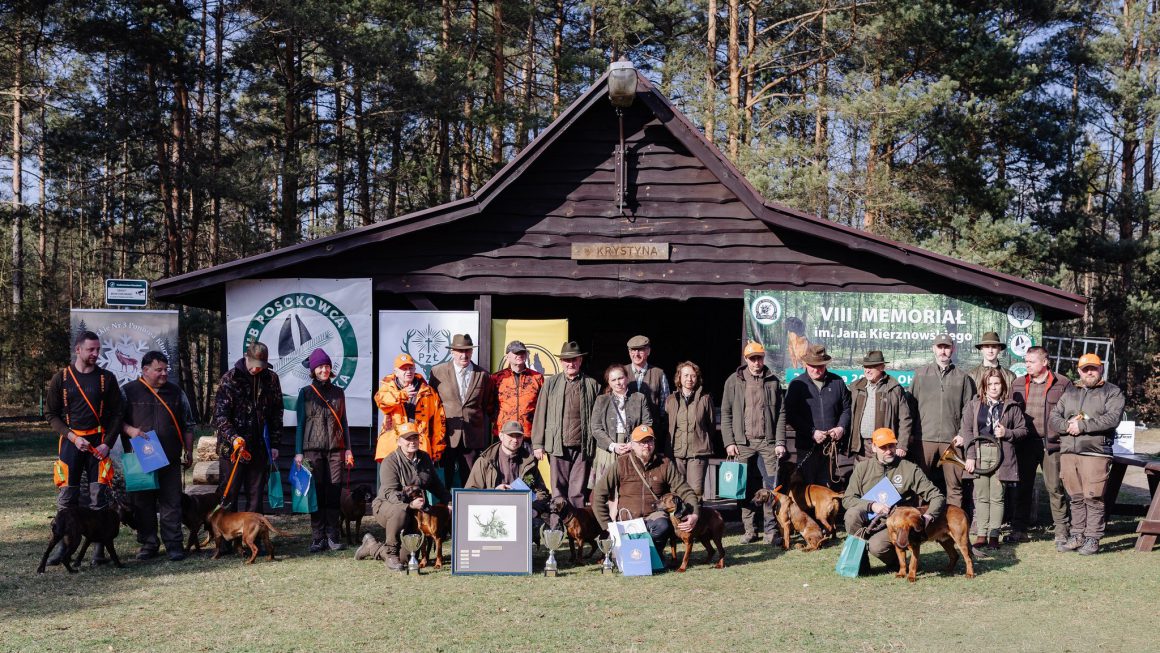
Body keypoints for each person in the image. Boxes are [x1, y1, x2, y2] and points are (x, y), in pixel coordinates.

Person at [45, 330, 123, 566]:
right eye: (91, 349)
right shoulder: (62, 378)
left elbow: (118, 414)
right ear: (77, 350)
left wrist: (107, 444)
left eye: (98, 350)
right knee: (67, 497)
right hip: (71, 444)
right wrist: (71, 436)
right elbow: (51, 414)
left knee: (99, 496)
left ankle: (99, 550)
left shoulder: (106, 378)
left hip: (98, 446)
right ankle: (63, 546)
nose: (95, 354)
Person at [121, 351, 196, 561]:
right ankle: (148, 544)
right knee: (142, 503)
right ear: (145, 370)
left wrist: (189, 451)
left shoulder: (176, 392)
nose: (164, 374)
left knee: (171, 502)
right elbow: (115, 421)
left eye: (166, 369)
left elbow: (188, 424)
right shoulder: (128, 392)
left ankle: (174, 545)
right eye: (158, 370)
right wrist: (130, 431)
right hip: (140, 459)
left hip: (170, 457)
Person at [1049, 353, 1125, 555]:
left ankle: (1093, 538)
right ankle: (1077, 535)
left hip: (1096, 453)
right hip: (1069, 452)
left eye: (1093, 368)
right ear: (1079, 371)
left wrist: (1082, 426)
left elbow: (1112, 419)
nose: (1089, 372)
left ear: (1100, 369)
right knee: (1075, 497)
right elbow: (1054, 416)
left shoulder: (1112, 392)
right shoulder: (1070, 392)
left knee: (1093, 498)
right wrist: (1068, 426)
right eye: (1085, 369)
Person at [843, 428, 946, 567]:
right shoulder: (862, 468)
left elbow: (937, 495)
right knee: (851, 514)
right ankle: (859, 563)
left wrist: (929, 516)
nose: (888, 450)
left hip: (895, 523)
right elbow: (847, 499)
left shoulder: (909, 469)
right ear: (873, 447)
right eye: (883, 447)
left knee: (877, 546)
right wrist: (872, 505)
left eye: (891, 445)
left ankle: (898, 563)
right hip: (868, 518)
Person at [591, 425, 700, 554]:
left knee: (662, 526)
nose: (647, 446)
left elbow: (685, 490)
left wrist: (694, 514)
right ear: (632, 444)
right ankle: (638, 555)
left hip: (654, 517)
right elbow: (598, 494)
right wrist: (608, 525)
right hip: (628, 520)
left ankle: (652, 554)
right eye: (642, 442)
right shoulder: (621, 463)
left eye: (650, 441)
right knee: (623, 561)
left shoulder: (665, 464)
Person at [720, 341, 787, 545]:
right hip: (742, 444)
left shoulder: (773, 381)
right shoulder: (734, 381)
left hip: (768, 443)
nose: (757, 362)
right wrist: (729, 442)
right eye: (752, 358)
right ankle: (750, 530)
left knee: (771, 489)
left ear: (763, 358)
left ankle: (770, 531)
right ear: (746, 359)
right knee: (743, 488)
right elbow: (726, 413)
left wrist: (780, 441)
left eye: (759, 358)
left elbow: (781, 413)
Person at [363, 422, 452, 570]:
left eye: (415, 437)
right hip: (387, 507)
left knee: (406, 557)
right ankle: (390, 553)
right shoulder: (390, 461)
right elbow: (389, 493)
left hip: (415, 511)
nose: (412, 442)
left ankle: (372, 546)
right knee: (401, 512)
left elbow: (436, 485)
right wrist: (409, 505)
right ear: (399, 441)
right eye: (407, 439)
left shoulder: (424, 458)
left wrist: (449, 502)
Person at [1011, 346, 1073, 549]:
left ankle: (1061, 531)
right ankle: (1019, 530)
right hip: (1025, 443)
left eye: (1031, 361)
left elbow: (1072, 413)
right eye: (1026, 361)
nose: (1027, 365)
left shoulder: (1063, 383)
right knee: (1023, 487)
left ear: (1045, 362)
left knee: (1055, 487)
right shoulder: (1018, 383)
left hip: (1051, 444)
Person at [293, 348, 354, 553]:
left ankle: (333, 535)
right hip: (312, 450)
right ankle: (317, 537)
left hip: (337, 450)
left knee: (334, 492)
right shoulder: (306, 393)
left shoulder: (339, 392)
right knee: (317, 493)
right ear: (313, 370)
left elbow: (344, 422)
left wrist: (348, 449)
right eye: (320, 366)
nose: (324, 370)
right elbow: (300, 423)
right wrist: (298, 451)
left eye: (327, 366)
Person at [960, 368, 1027, 549]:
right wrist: (971, 456)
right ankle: (981, 534)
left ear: (1003, 385)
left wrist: (1007, 432)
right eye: (989, 384)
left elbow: (1023, 430)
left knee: (997, 496)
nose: (993, 387)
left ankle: (994, 536)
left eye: (997, 383)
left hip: (1002, 454)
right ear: (983, 386)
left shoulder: (1011, 406)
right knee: (981, 496)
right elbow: (966, 431)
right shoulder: (974, 405)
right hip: (980, 453)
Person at [212, 341, 283, 512]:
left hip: (258, 447)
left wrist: (274, 444)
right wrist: (233, 437)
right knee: (229, 494)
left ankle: (253, 538)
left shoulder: (271, 379)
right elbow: (220, 415)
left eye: (261, 366)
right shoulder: (229, 379)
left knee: (256, 495)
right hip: (232, 449)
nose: (256, 369)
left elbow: (276, 412)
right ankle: (227, 538)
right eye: (254, 365)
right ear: (246, 357)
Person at [531, 342, 600, 508]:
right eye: (567, 360)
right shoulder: (551, 383)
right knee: (558, 490)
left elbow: (598, 417)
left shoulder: (592, 385)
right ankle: (557, 528)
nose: (571, 363)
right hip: (557, 445)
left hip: (583, 446)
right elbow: (540, 414)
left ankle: (577, 529)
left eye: (574, 359)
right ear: (561, 362)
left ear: (580, 361)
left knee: (577, 492)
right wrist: (538, 444)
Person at [910, 334, 975, 506]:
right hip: (924, 438)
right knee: (920, 484)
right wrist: (911, 434)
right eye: (940, 347)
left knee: (955, 485)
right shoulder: (920, 374)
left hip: (952, 440)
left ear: (952, 349)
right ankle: (920, 526)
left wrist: (962, 434)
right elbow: (911, 407)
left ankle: (953, 525)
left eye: (947, 347)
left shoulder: (963, 377)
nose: (943, 351)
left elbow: (969, 410)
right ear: (933, 348)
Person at [430, 334, 495, 488]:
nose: (464, 354)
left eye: (467, 351)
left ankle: (469, 508)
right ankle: (446, 507)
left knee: (471, 477)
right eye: (460, 351)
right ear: (452, 352)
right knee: (446, 477)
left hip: (472, 435)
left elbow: (486, 404)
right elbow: (431, 402)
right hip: (447, 434)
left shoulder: (483, 375)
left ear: (472, 352)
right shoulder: (437, 371)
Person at [785, 344, 851, 487]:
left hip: (830, 447)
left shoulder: (837, 382)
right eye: (813, 365)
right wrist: (811, 432)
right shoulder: (797, 384)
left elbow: (847, 409)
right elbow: (790, 414)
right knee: (806, 490)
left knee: (825, 489)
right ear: (806, 364)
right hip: (806, 446)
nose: (817, 369)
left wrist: (841, 427)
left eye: (820, 366)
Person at [373, 353, 446, 464]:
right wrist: (402, 395)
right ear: (396, 372)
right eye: (404, 369)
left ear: (415, 369)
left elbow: (438, 422)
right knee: (393, 479)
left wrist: (437, 449)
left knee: (420, 479)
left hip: (419, 446)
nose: (408, 371)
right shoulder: (387, 388)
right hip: (394, 445)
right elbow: (381, 401)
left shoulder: (428, 392)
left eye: (411, 368)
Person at [590, 363, 652, 487]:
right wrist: (612, 446)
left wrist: (633, 443)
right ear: (609, 382)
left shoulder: (639, 398)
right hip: (608, 448)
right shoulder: (602, 400)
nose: (618, 383)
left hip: (633, 445)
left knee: (629, 485)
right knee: (607, 486)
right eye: (613, 380)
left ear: (627, 378)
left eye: (620, 378)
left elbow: (647, 423)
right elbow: (595, 428)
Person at [848, 351, 913, 466]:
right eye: (865, 367)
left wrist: (902, 445)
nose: (867, 370)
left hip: (885, 446)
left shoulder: (894, 388)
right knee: (862, 479)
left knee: (882, 480)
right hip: (861, 446)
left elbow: (905, 419)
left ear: (882, 367)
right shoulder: (856, 387)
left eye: (872, 367)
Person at [664, 361, 714, 497]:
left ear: (697, 378)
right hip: (676, 454)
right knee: (676, 493)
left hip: (697, 454)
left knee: (695, 492)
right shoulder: (671, 400)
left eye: (693, 376)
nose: (689, 379)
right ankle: (677, 519)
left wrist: (702, 442)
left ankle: (695, 518)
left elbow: (710, 426)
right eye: (686, 375)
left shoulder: (705, 399)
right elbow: (666, 426)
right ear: (679, 377)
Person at [465, 421, 549, 493]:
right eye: (511, 435)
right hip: (492, 508)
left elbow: (541, 492)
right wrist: (493, 492)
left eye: (518, 436)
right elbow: (470, 491)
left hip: (520, 508)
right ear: (501, 436)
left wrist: (534, 510)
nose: (515, 440)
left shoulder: (530, 462)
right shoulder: (484, 461)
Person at [490, 340, 544, 437]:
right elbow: (489, 406)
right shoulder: (497, 378)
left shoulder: (537, 377)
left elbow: (543, 406)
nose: (520, 355)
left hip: (529, 434)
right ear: (507, 356)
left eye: (522, 352)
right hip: (504, 434)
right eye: (516, 352)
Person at [625, 335, 670, 433]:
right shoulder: (621, 372)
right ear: (629, 352)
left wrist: (661, 426)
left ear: (648, 351)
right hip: (626, 429)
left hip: (651, 430)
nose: (636, 354)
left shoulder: (659, 373)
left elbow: (665, 406)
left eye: (640, 350)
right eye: (633, 350)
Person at [967, 331, 1016, 401]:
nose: (990, 350)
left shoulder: (1010, 376)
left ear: (999, 349)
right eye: (987, 347)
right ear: (981, 349)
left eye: (994, 347)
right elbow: (969, 403)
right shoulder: (972, 375)